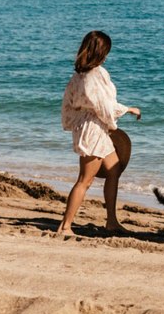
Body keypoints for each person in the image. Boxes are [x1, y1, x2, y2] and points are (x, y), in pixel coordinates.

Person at [58, 30, 141, 235]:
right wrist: (128, 109)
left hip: (93, 128)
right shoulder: (91, 77)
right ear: (101, 52)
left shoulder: (80, 75)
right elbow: (105, 107)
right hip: (93, 131)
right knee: (84, 180)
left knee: (113, 169)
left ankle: (111, 221)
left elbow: (68, 104)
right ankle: (65, 226)